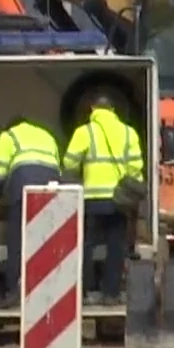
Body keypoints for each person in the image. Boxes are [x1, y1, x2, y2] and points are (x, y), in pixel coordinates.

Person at [61, 93, 145, 304]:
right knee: (116, 246)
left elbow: (69, 162)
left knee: (86, 245)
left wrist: (81, 172)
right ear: (113, 111)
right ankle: (111, 293)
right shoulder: (129, 133)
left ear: (92, 110)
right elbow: (136, 168)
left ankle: (85, 291)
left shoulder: (84, 132)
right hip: (119, 200)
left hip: (92, 199)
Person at [0, 113, 62, 306]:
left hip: (23, 189)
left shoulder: (9, 136)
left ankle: (13, 290)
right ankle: (49, 290)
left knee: (17, 242)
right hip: (50, 191)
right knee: (46, 241)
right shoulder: (46, 135)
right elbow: (58, 169)